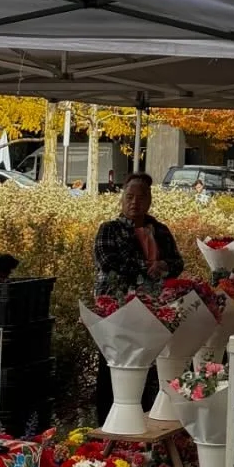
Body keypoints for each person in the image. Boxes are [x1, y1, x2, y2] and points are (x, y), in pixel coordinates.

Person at [92, 173, 183, 422]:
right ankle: (108, 425)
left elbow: (178, 263)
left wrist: (164, 265)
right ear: (121, 199)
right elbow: (109, 261)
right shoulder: (109, 229)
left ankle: (143, 421)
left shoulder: (160, 230)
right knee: (112, 368)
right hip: (116, 310)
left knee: (146, 368)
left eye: (141, 197)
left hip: (152, 310)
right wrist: (147, 267)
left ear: (150, 200)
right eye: (129, 196)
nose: (134, 202)